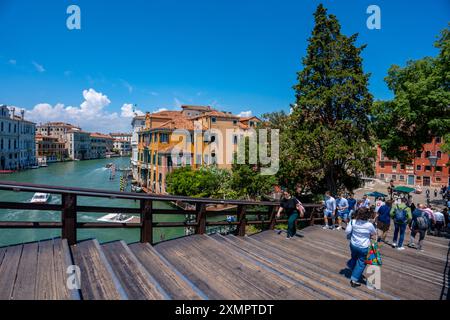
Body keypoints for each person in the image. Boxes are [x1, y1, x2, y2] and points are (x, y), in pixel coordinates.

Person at [345, 207, 377, 287]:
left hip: (353, 245)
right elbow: (374, 233)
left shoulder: (353, 221)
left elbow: (347, 231)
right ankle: (354, 280)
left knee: (354, 257)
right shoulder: (369, 224)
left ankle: (351, 265)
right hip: (364, 246)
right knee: (361, 263)